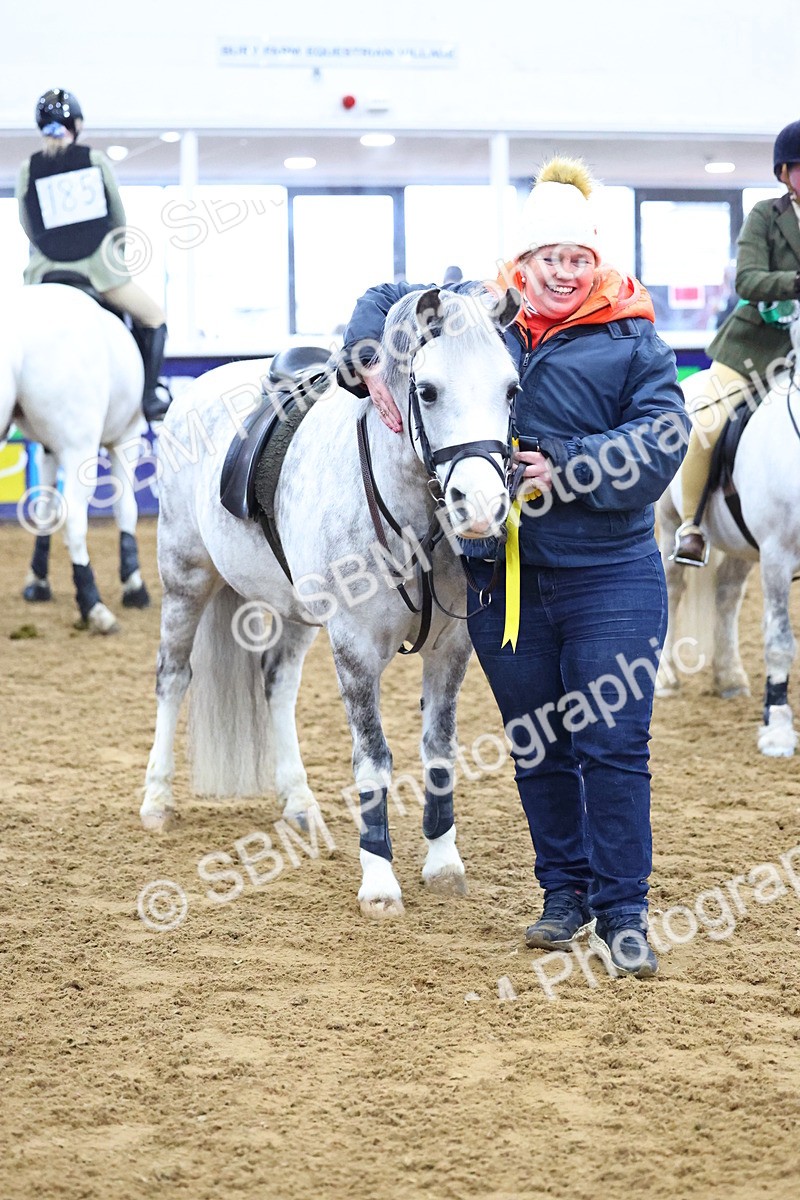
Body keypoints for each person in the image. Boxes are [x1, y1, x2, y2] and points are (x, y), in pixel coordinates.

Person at [336, 157, 690, 978]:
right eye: (548, 258)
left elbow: (662, 441)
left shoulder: (635, 337)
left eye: (578, 258)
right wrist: (363, 354)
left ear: (595, 263)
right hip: (504, 582)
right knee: (539, 746)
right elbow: (388, 300)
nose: (565, 272)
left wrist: (565, 465)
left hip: (610, 576)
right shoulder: (483, 324)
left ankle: (624, 911)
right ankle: (563, 895)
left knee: (612, 741)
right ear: (520, 266)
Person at [673, 118, 800, 565]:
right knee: (706, 424)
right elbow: (748, 279)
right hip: (753, 353)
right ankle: (690, 526)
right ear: (785, 173)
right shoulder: (766, 216)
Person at [16, 88, 171, 424]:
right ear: (78, 124)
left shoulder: (28, 168)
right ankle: (148, 396)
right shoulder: (95, 160)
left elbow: (27, 224)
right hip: (99, 272)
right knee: (155, 317)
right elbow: (117, 219)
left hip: (43, 274)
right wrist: (116, 259)